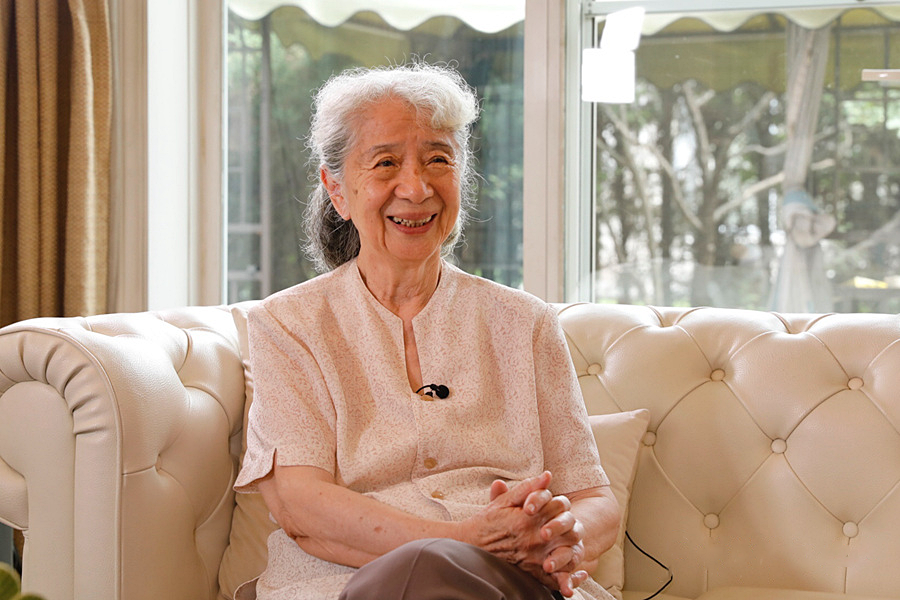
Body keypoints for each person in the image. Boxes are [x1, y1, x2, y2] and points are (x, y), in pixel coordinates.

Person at [234, 62, 620, 600]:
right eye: (386, 163)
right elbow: (301, 506)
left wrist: (555, 540)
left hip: (516, 581)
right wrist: (468, 541)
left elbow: (594, 499)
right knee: (423, 572)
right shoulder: (289, 325)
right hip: (346, 586)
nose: (416, 188)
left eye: (439, 159)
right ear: (337, 190)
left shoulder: (525, 323)